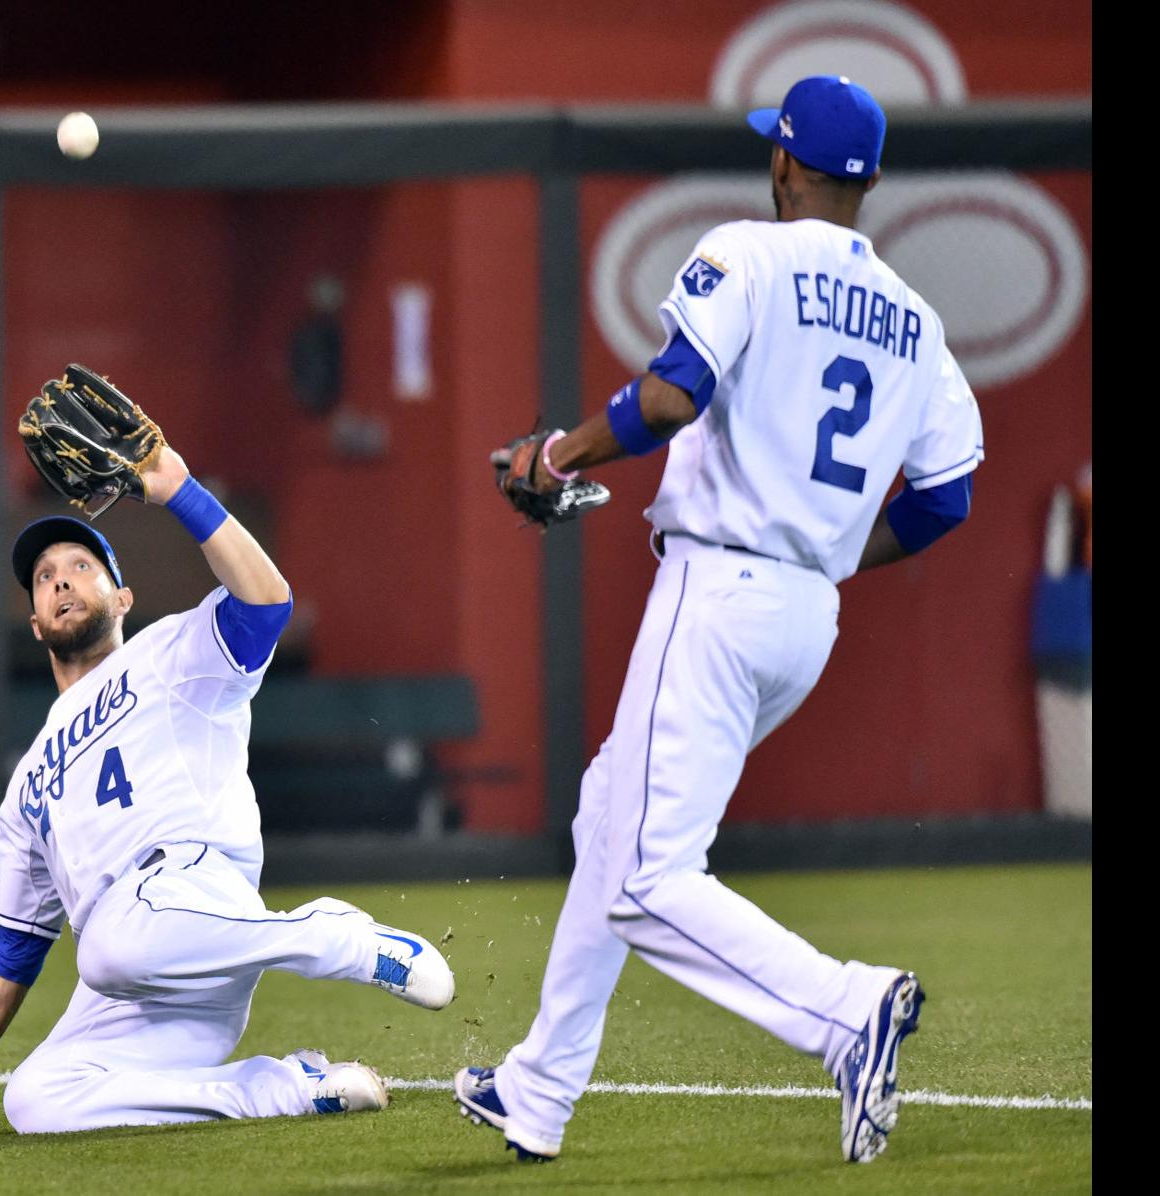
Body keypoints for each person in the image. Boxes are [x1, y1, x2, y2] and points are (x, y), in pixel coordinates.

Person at [454, 75, 983, 1165]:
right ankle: (537, 1087)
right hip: (806, 618)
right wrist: (832, 554)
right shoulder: (917, 323)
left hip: (720, 590)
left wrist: (552, 457)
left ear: (785, 163)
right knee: (612, 814)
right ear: (869, 181)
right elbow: (944, 499)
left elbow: (667, 397)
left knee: (647, 872)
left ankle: (843, 1009)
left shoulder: (748, 249)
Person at [0, 428, 455, 1135]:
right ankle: (286, 1087)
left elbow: (265, 606)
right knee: (34, 1099)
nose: (61, 579)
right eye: (44, 578)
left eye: (80, 565)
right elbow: (15, 947)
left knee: (105, 943)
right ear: (36, 625)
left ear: (123, 598)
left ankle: (329, 937)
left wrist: (176, 490)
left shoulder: (171, 653)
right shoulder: (26, 784)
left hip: (190, 895)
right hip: (151, 992)